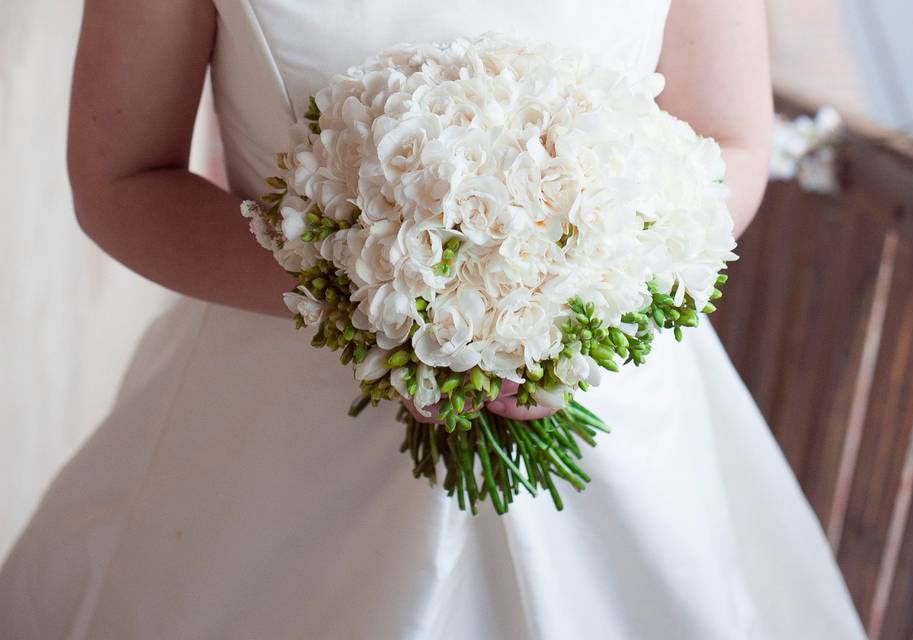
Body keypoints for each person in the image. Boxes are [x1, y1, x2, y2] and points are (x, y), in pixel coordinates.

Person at [0, 1, 867, 637]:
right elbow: (120, 179)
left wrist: (579, 299)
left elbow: (730, 142)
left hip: (616, 414)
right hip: (281, 432)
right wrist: (366, 299)